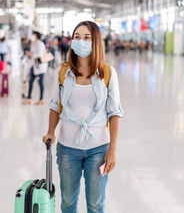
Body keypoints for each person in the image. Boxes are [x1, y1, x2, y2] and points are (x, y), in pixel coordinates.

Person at [43, 21, 124, 213]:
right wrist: (50, 132)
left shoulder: (107, 73)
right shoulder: (64, 72)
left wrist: (112, 149)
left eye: (87, 37)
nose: (80, 41)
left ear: (96, 42)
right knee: (68, 203)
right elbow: (55, 105)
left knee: (96, 205)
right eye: (77, 37)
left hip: (98, 149)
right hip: (67, 148)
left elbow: (114, 114)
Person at [22, 31, 48, 105]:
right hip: (34, 66)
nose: (32, 36)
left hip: (40, 67)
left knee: (40, 83)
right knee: (30, 82)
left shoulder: (40, 44)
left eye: (33, 35)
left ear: (36, 35)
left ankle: (41, 99)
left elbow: (39, 54)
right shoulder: (33, 43)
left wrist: (31, 54)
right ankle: (29, 99)